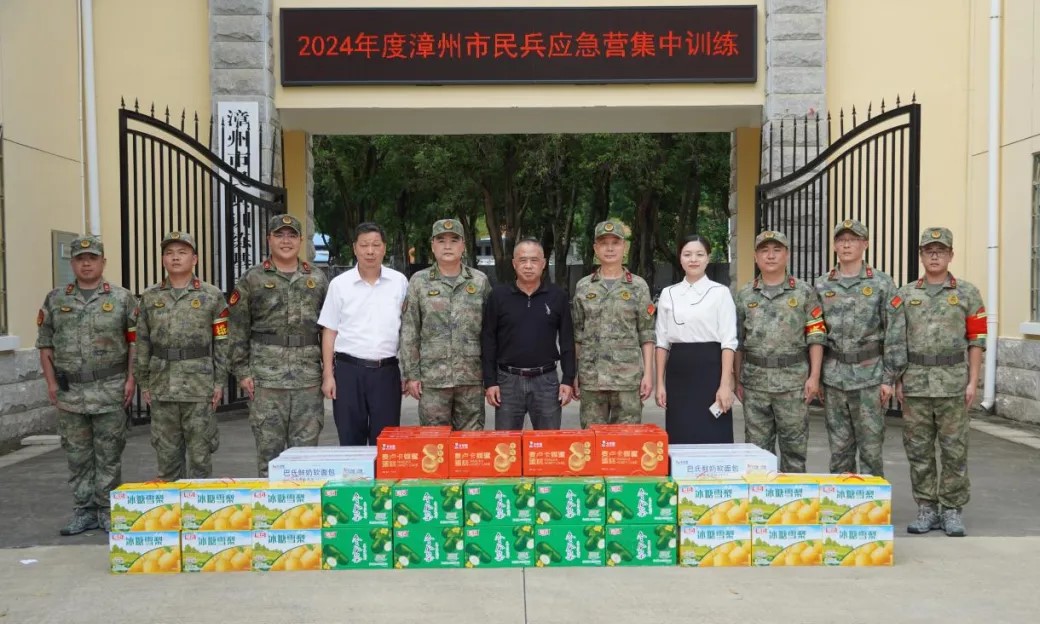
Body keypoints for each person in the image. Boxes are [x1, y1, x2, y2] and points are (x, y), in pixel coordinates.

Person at [36, 235, 138, 534]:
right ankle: (83, 511)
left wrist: (131, 379)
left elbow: (134, 344)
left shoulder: (122, 299)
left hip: (110, 388)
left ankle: (107, 510)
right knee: (77, 455)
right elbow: (45, 345)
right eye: (81, 259)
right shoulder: (56, 299)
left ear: (103, 262)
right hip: (70, 393)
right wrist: (51, 383)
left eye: (92, 258)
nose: (87, 264)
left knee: (109, 454)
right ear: (73, 264)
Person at [896, 227, 985, 537]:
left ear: (951, 255)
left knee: (954, 450)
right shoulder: (906, 295)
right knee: (918, 450)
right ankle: (926, 507)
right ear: (921, 256)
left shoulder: (968, 293)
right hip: (916, 385)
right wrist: (898, 379)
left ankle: (951, 510)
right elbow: (897, 341)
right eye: (929, 251)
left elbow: (976, 340)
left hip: (953, 384)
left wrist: (973, 382)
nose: (935, 256)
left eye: (941, 251)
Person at [229, 214, 329, 476]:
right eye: (279, 235)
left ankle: (302, 503)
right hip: (266, 380)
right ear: (269, 239)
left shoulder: (317, 278)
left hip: (307, 379)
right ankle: (269, 503)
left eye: (292, 235)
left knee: (305, 459)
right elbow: (237, 328)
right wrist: (242, 372)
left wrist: (329, 372)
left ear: (300, 240)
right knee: (269, 457)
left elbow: (330, 329)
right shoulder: (252, 279)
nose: (286, 241)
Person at [815, 219, 906, 477]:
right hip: (834, 379)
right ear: (834, 245)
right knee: (839, 451)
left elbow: (895, 332)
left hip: (870, 378)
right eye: (841, 240)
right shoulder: (822, 285)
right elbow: (815, 333)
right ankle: (841, 499)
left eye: (853, 240)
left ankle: (871, 501)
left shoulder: (881, 283)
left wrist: (889, 379)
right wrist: (817, 376)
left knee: (871, 451)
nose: (846, 245)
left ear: (864, 244)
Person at [135, 231, 230, 481]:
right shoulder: (150, 297)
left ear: (194, 259)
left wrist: (219, 383)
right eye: (169, 253)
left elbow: (222, 342)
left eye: (182, 252)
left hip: (199, 387)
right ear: (163, 260)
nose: (175, 258)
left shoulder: (212, 296)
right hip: (162, 385)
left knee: (200, 459)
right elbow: (142, 342)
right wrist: (144, 383)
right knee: (167, 460)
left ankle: (198, 505)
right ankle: (171, 506)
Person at [734, 230, 826, 473]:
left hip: (793, 384)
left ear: (787, 255)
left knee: (794, 452)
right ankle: (760, 497)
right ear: (756, 257)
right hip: (755, 384)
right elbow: (738, 341)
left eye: (777, 250)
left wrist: (814, 377)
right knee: (756, 455)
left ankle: (794, 496)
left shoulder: (804, 292)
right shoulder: (745, 294)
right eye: (764, 250)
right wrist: (737, 380)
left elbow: (816, 335)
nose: (771, 255)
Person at [319, 222, 409, 445]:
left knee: (386, 443)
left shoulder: (399, 282)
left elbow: (408, 330)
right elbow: (329, 331)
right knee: (350, 440)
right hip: (349, 372)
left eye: (376, 245)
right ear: (354, 248)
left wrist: (408, 372)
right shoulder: (339, 285)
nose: (370, 251)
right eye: (364, 245)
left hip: (386, 372)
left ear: (384, 248)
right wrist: (328, 375)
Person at [400, 218, 491, 430]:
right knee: (434, 442)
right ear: (433, 246)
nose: (447, 246)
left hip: (471, 378)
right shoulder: (419, 281)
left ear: (463, 245)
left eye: (454, 240)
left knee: (470, 442)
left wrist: (491, 377)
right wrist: (412, 375)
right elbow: (410, 331)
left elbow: (490, 333)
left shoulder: (479, 281)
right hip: (432, 380)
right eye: (441, 240)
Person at [481, 239, 575, 430]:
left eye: (534, 260)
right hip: (507, 381)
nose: (528, 266)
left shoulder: (557, 296)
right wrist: (490, 382)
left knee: (548, 443)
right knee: (506, 444)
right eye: (523, 260)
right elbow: (488, 340)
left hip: (546, 382)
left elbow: (567, 341)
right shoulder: (498, 296)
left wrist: (568, 379)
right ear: (514, 264)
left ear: (543, 263)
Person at [571, 219, 655, 428]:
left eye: (615, 243)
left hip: (627, 379)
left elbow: (646, 334)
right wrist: (574, 373)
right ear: (595, 248)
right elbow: (578, 335)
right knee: (592, 439)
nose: (609, 248)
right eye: (603, 243)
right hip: (592, 378)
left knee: (626, 440)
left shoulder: (638, 286)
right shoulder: (583, 287)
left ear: (624, 247)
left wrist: (648, 375)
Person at [655, 235, 738, 443]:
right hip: (679, 372)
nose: (693, 259)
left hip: (711, 370)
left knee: (713, 434)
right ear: (680, 258)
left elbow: (729, 342)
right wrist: (660, 384)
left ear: (708, 258)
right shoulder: (668, 293)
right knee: (680, 433)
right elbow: (662, 342)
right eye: (687, 254)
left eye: (699, 254)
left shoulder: (720, 292)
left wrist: (725, 385)